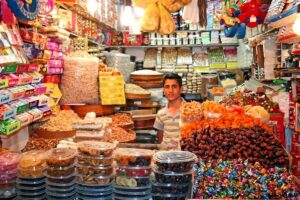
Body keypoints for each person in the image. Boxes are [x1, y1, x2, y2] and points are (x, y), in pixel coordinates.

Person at [154, 73, 183, 149]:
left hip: (185, 156)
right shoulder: (161, 113)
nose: (170, 90)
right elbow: (160, 138)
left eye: (174, 86)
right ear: (163, 90)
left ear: (181, 89)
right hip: (166, 157)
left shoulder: (190, 111)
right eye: (167, 87)